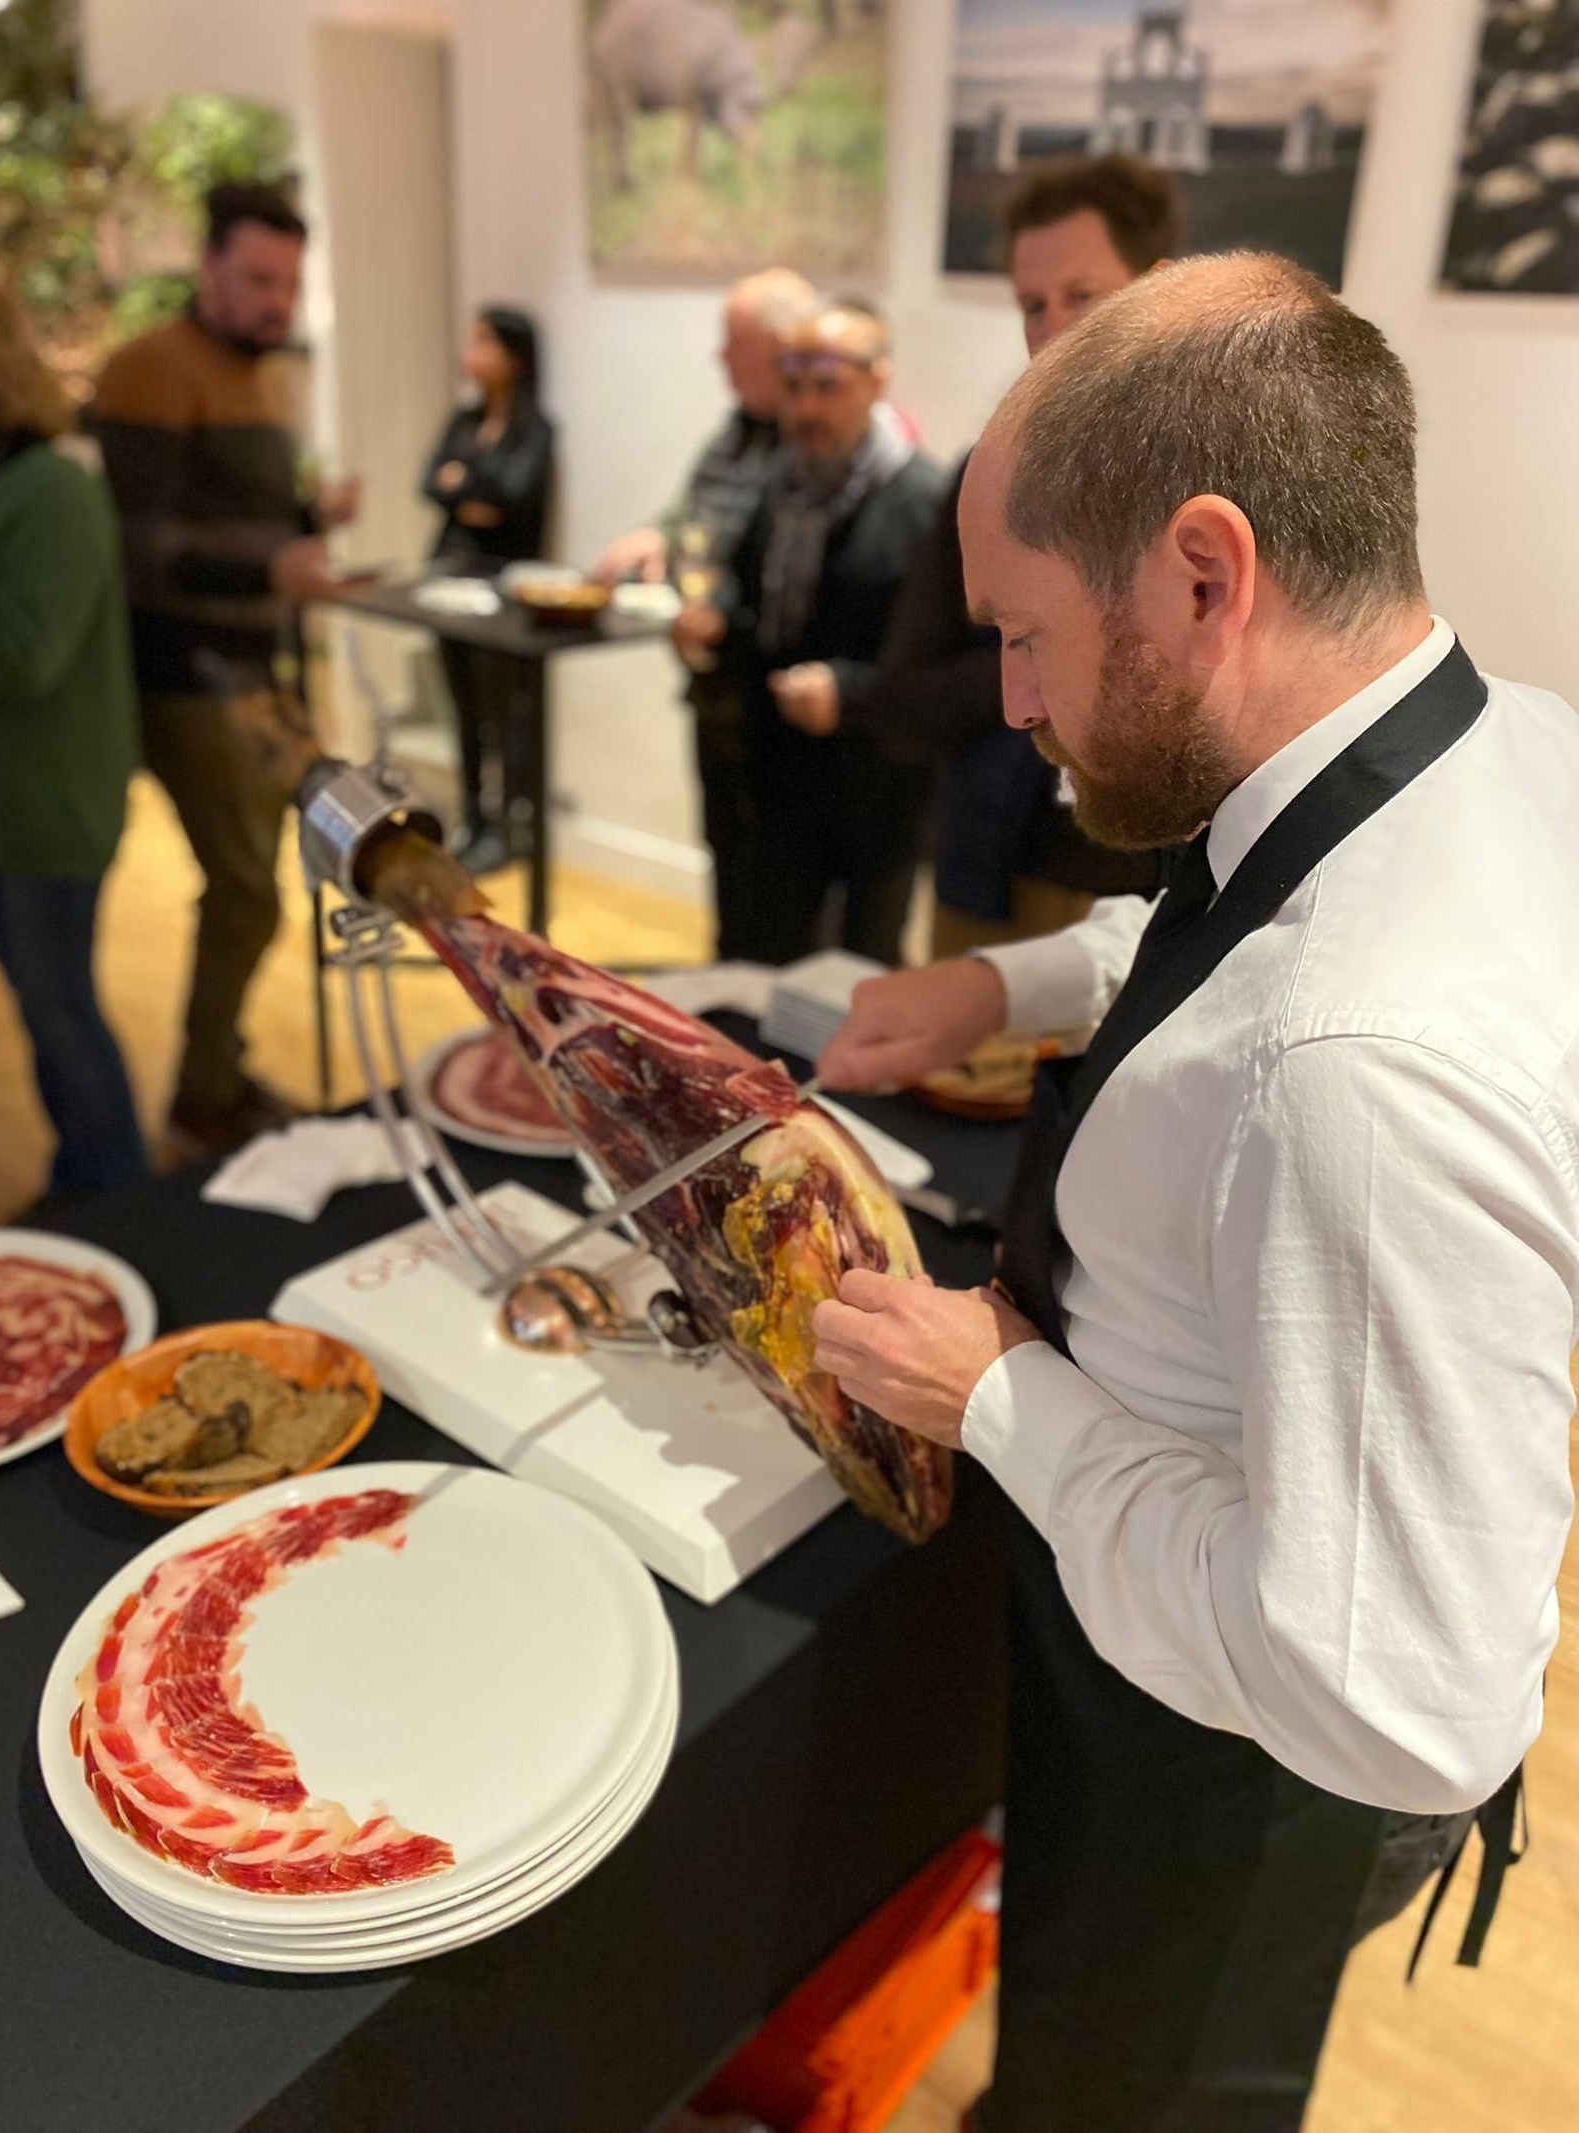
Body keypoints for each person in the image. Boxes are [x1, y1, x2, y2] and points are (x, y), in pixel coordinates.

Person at [813, 254, 1579, 2130]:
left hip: (1235, 1753)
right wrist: (1007, 980)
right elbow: (1228, 911)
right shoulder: (1500, 729)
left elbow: (1407, 1703)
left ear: (1205, 572)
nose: (1011, 701)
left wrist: (999, 1391)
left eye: (1028, 635)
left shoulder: (1356, 1077)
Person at [91, 182, 362, 1157]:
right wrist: (265, 565)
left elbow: (232, 508)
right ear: (206, 268)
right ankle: (204, 1090)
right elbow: (133, 544)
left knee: (270, 875)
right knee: (247, 885)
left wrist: (307, 523)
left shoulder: (256, 372)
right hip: (185, 673)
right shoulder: (147, 370)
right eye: (254, 280)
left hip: (252, 661)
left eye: (286, 284)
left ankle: (216, 1074)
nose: (273, 302)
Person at [871, 156, 1183, 958]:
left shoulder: (1231, 470)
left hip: (1170, 897)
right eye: (1031, 305)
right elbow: (902, 700)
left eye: (1083, 296)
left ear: (1158, 288)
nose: (1053, 329)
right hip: (995, 880)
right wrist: (1053, 646)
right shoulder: (991, 479)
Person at [672, 299, 945, 968]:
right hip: (780, 774)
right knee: (766, 957)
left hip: (878, 786)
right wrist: (714, 620)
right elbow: (748, 588)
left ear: (876, 382)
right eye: (793, 388)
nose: (807, 409)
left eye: (829, 387)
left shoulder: (922, 501)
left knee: (859, 972)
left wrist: (847, 692)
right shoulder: (781, 478)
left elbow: (945, 662)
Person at [594, 267, 815, 959]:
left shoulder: (812, 441)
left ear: (781, 347)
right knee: (726, 851)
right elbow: (691, 517)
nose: (720, 358)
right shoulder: (737, 432)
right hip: (713, 684)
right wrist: (654, 536)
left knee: (779, 879)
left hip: (775, 697)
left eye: (734, 343)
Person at [0, 286, 146, 1195]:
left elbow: (23, 654)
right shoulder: (1, 481)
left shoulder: (52, 488)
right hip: (1, 807)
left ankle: (118, 1195)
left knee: (60, 1012)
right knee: (40, 1008)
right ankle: (86, 1179)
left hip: (47, 811)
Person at [422, 306, 555, 874]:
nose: (471, 352)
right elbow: (431, 482)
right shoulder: (463, 419)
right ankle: (475, 819)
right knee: (465, 709)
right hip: (450, 581)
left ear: (514, 357)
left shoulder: (536, 430)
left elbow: (514, 495)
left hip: (505, 590)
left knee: (509, 713)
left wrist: (465, 481)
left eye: (484, 342)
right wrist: (471, 494)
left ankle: (510, 827)